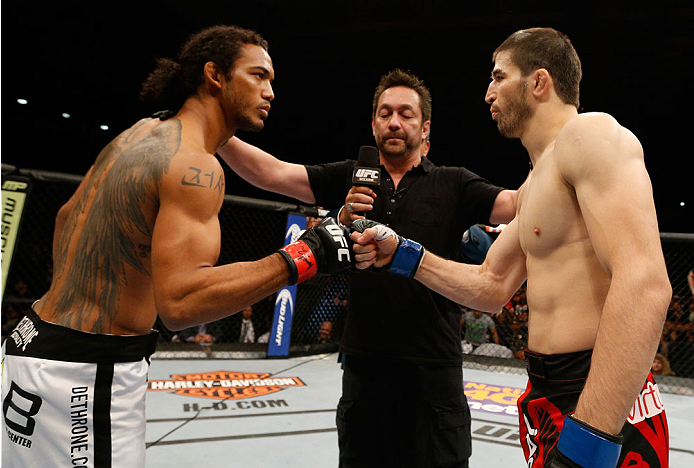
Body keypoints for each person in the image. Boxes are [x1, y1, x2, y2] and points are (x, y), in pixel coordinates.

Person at [0, 25, 352, 468]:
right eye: (258, 76)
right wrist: (306, 256)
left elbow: (65, 216)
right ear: (215, 76)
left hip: (29, 345)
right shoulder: (197, 167)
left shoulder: (139, 133)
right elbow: (181, 303)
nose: (270, 92)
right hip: (85, 374)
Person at [352, 27, 672, 468]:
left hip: (601, 400)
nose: (488, 93)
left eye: (499, 77)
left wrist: (590, 438)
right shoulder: (538, 180)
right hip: (551, 393)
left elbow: (645, 285)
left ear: (539, 82)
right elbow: (491, 284)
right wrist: (402, 254)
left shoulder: (591, 134)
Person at [217, 68, 517, 467]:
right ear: (374, 123)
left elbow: (516, 207)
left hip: (433, 371)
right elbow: (269, 172)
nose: (395, 122)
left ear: (425, 128)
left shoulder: (453, 183)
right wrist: (212, 130)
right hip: (364, 368)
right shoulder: (349, 177)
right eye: (385, 113)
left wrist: (549, 143)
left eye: (406, 114)